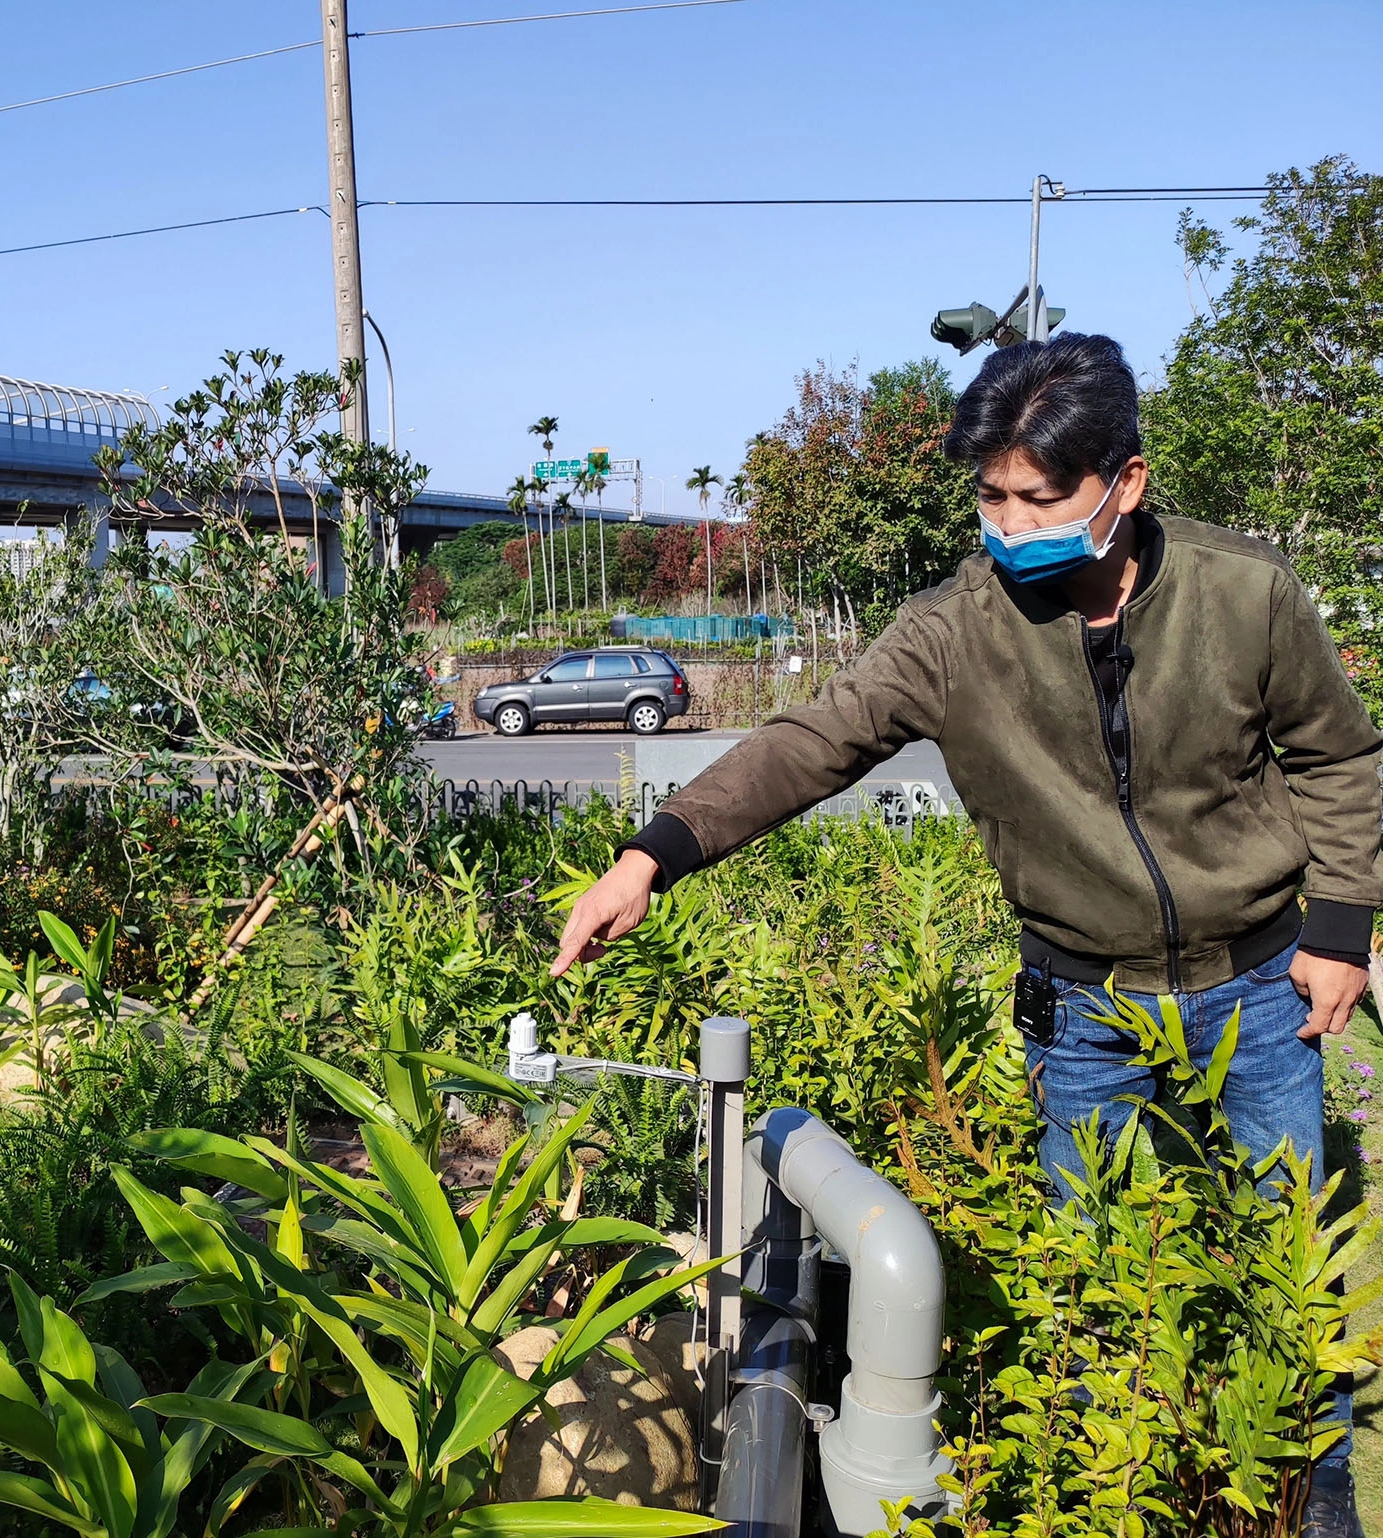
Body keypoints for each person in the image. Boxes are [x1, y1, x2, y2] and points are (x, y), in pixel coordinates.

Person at [550, 333, 1375, 1533]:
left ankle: (1314, 1511)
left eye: (1036, 498)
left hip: (1255, 987)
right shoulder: (953, 633)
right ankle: (1107, 1506)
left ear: (1123, 485)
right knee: (1080, 1289)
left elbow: (1336, 755)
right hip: (1080, 1007)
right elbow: (810, 741)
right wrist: (654, 849)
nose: (1004, 523)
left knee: (1286, 1277)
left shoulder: (1242, 592)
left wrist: (1339, 926)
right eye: (987, 496)